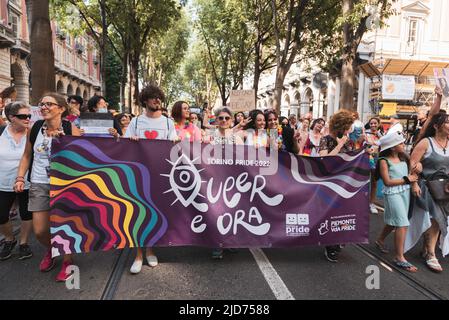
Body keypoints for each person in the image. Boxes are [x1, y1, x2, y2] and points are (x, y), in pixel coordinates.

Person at [14, 92, 81, 282]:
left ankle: (67, 260)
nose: (43, 107)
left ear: (61, 108)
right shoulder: (35, 127)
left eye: (49, 104)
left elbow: (83, 158)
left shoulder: (70, 128)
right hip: (39, 183)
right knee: (40, 230)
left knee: (65, 226)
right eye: (41, 104)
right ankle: (52, 249)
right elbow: (27, 155)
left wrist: (63, 143)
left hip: (65, 185)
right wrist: (20, 177)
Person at [124, 85, 177, 274]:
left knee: (154, 214)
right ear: (145, 100)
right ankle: (138, 255)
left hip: (160, 175)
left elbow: (173, 148)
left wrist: (176, 143)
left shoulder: (169, 123)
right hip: (138, 175)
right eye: (153, 98)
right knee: (138, 214)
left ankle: (150, 249)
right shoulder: (136, 122)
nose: (157, 100)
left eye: (158, 98)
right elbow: (124, 146)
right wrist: (131, 141)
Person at [406, 111, 449, 273]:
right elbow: (413, 164)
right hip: (426, 186)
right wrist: (414, 184)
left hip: (444, 189)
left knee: (440, 219)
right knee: (434, 218)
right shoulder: (426, 142)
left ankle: (427, 249)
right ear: (437, 126)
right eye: (447, 122)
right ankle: (431, 253)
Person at [374, 131, 418, 272]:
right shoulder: (383, 161)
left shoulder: (404, 157)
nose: (403, 144)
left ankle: (380, 239)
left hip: (405, 193)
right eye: (400, 143)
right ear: (392, 146)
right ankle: (399, 257)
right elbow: (387, 182)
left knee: (396, 221)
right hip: (392, 194)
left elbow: (413, 172)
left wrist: (416, 176)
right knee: (402, 223)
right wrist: (407, 180)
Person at [319, 109, 355, 263]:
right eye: (347, 127)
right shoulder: (326, 139)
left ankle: (339, 239)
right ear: (340, 126)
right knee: (330, 214)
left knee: (344, 213)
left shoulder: (349, 141)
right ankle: (330, 245)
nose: (349, 130)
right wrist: (339, 145)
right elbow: (325, 160)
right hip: (329, 183)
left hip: (345, 183)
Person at [207, 107, 243, 258]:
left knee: (231, 211)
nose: (223, 121)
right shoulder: (209, 136)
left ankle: (229, 241)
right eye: (220, 118)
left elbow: (244, 157)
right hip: (213, 179)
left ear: (231, 121)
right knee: (215, 212)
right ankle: (217, 245)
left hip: (232, 180)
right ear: (216, 120)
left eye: (227, 118)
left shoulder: (237, 137)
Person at [0, 102, 33, 261]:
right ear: (11, 117)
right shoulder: (1, 132)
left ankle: (24, 243)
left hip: (28, 182)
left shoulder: (33, 134)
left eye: (29, 116)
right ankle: (9, 239)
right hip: (2, 182)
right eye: (22, 116)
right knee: (1, 215)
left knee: (26, 214)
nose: (27, 119)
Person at [365, 117, 383, 214]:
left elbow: (385, 146)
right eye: (371, 123)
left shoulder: (382, 135)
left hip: (377, 160)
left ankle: (371, 203)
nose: (373, 125)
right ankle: (363, 203)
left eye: (375, 123)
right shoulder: (365, 133)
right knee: (365, 182)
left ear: (378, 124)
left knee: (374, 182)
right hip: (366, 159)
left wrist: (380, 136)